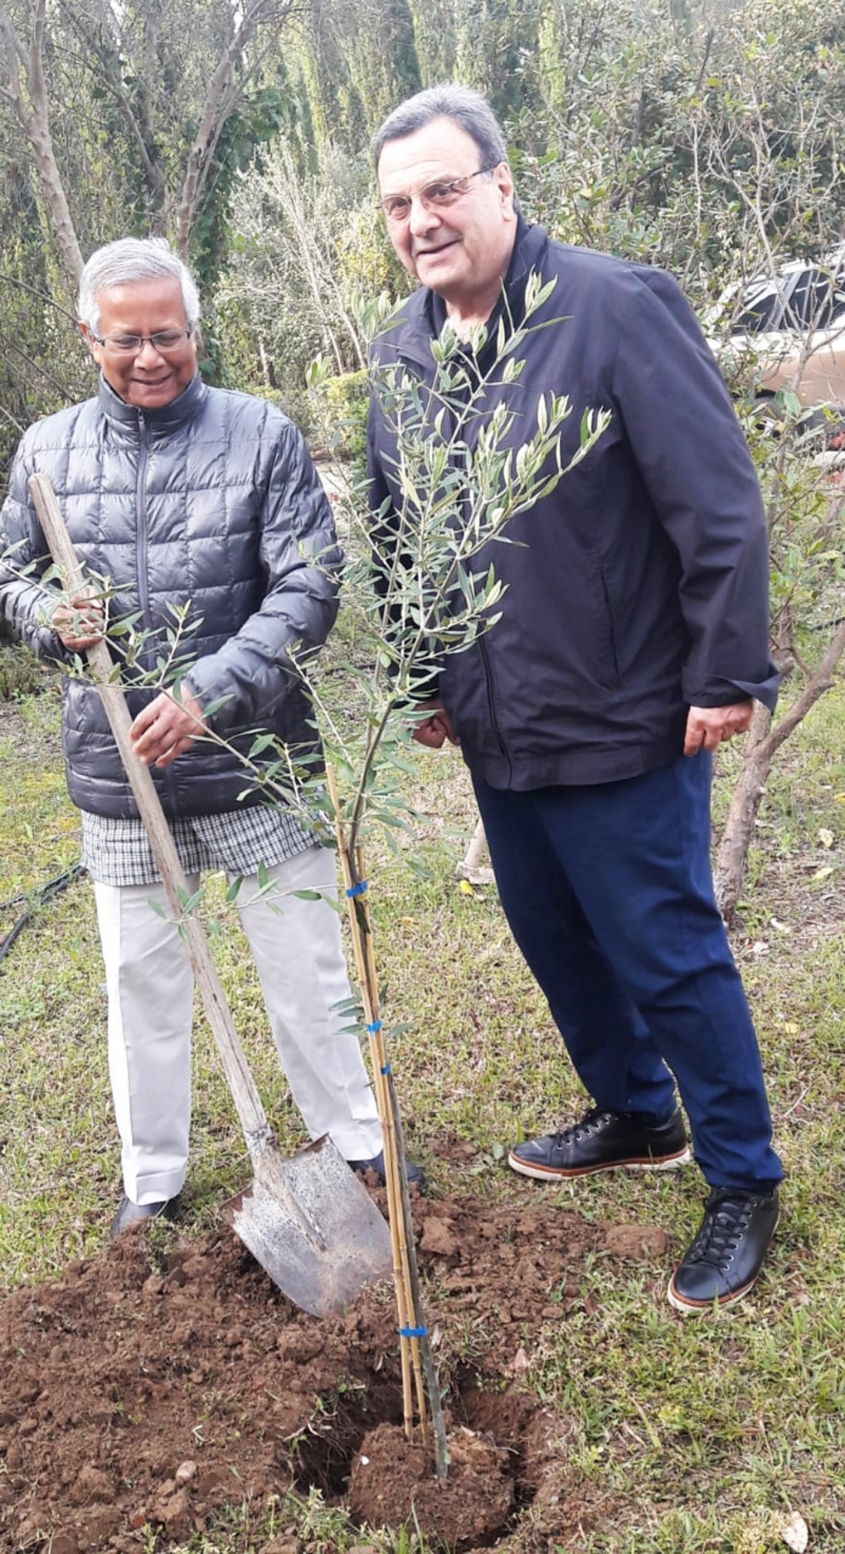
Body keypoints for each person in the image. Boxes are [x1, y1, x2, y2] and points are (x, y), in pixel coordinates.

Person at [367, 85, 782, 1313]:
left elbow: (716, 506)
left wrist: (723, 672)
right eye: (398, 202)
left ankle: (742, 1178)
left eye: (442, 189)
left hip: (628, 713)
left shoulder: (610, 307)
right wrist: (420, 679)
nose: (421, 219)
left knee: (663, 950)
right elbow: (400, 532)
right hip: (498, 722)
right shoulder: (404, 348)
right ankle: (633, 1111)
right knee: (553, 936)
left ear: (501, 184)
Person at [0, 237, 421, 1237]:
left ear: (196, 328)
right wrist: (44, 615)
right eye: (126, 340)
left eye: (169, 336)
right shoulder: (46, 452)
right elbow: (9, 574)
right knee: (137, 979)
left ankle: (353, 1140)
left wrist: (206, 693)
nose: (150, 357)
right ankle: (152, 1178)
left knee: (303, 962)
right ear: (90, 336)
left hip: (253, 761)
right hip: (117, 775)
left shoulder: (259, 435)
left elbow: (308, 587)